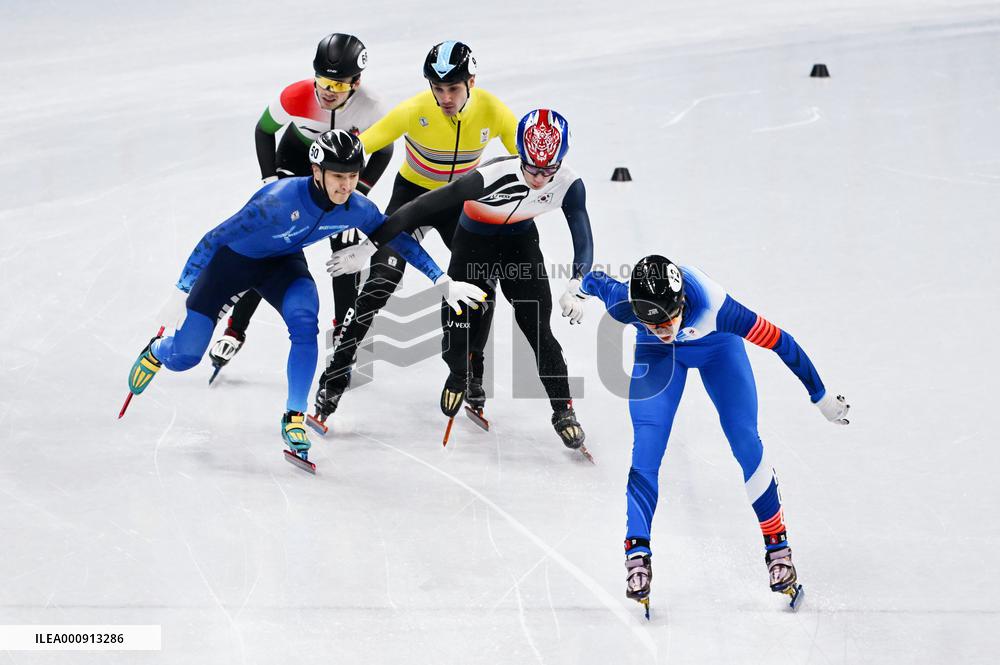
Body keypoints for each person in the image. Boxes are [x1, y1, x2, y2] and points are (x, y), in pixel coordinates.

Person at [124, 130, 484, 463]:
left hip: (282, 265)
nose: (346, 186)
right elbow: (213, 238)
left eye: (352, 176)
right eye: (338, 176)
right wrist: (179, 291)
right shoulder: (276, 201)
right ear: (316, 171)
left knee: (304, 322)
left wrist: (442, 280)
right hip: (231, 266)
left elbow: (398, 238)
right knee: (186, 357)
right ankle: (159, 352)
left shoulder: (356, 207)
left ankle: (294, 416)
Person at [581, 255, 850, 611]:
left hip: (718, 349)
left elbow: (782, 342)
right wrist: (576, 288)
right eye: (651, 326)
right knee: (646, 449)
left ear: (681, 303)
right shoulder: (627, 306)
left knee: (744, 439)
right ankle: (637, 553)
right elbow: (595, 280)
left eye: (666, 323)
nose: (662, 333)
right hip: (663, 362)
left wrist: (821, 396)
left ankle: (777, 548)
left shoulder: (718, 307)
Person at [329, 109, 594, 449]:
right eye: (531, 168)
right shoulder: (490, 175)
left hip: (520, 246)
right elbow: (418, 207)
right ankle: (459, 373)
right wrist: (369, 247)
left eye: (548, 170)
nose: (540, 179)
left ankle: (564, 410)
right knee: (457, 330)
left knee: (539, 329)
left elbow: (582, 235)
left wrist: (577, 282)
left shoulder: (571, 184)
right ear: (520, 155)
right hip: (473, 246)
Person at [311, 40, 519, 424]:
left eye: (453, 89)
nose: (444, 98)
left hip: (460, 204)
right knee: (380, 282)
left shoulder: (493, 110)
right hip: (412, 199)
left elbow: (524, 160)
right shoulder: (413, 111)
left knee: (482, 284)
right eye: (437, 88)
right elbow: (359, 147)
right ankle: (333, 381)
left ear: (471, 82)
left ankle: (473, 372)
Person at [207, 33, 394, 374]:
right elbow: (264, 131)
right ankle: (236, 327)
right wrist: (270, 181)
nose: (326, 91)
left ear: (356, 83)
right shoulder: (295, 95)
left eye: (337, 86)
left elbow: (385, 150)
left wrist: (359, 192)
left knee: (345, 245)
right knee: (273, 247)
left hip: (341, 175)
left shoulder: (373, 107)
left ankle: (343, 333)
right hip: (294, 165)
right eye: (322, 81)